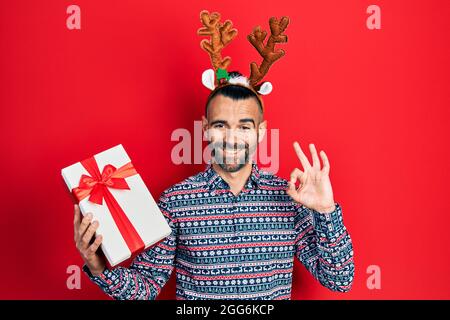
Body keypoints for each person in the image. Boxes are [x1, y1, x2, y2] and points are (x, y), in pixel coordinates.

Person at [73, 11, 354, 300]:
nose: (232, 138)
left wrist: (326, 211)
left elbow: (340, 279)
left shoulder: (290, 199)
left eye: (244, 126)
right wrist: (97, 266)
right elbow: (144, 288)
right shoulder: (175, 202)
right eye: (221, 125)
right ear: (206, 128)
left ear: (260, 131)